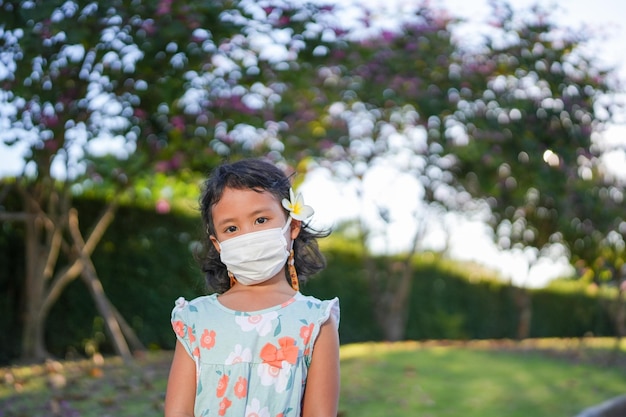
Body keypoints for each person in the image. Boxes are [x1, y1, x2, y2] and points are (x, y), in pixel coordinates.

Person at [164, 158, 340, 417]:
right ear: (217, 243)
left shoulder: (316, 321)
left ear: (292, 225)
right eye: (232, 228)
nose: (247, 236)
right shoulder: (195, 320)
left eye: (260, 220)